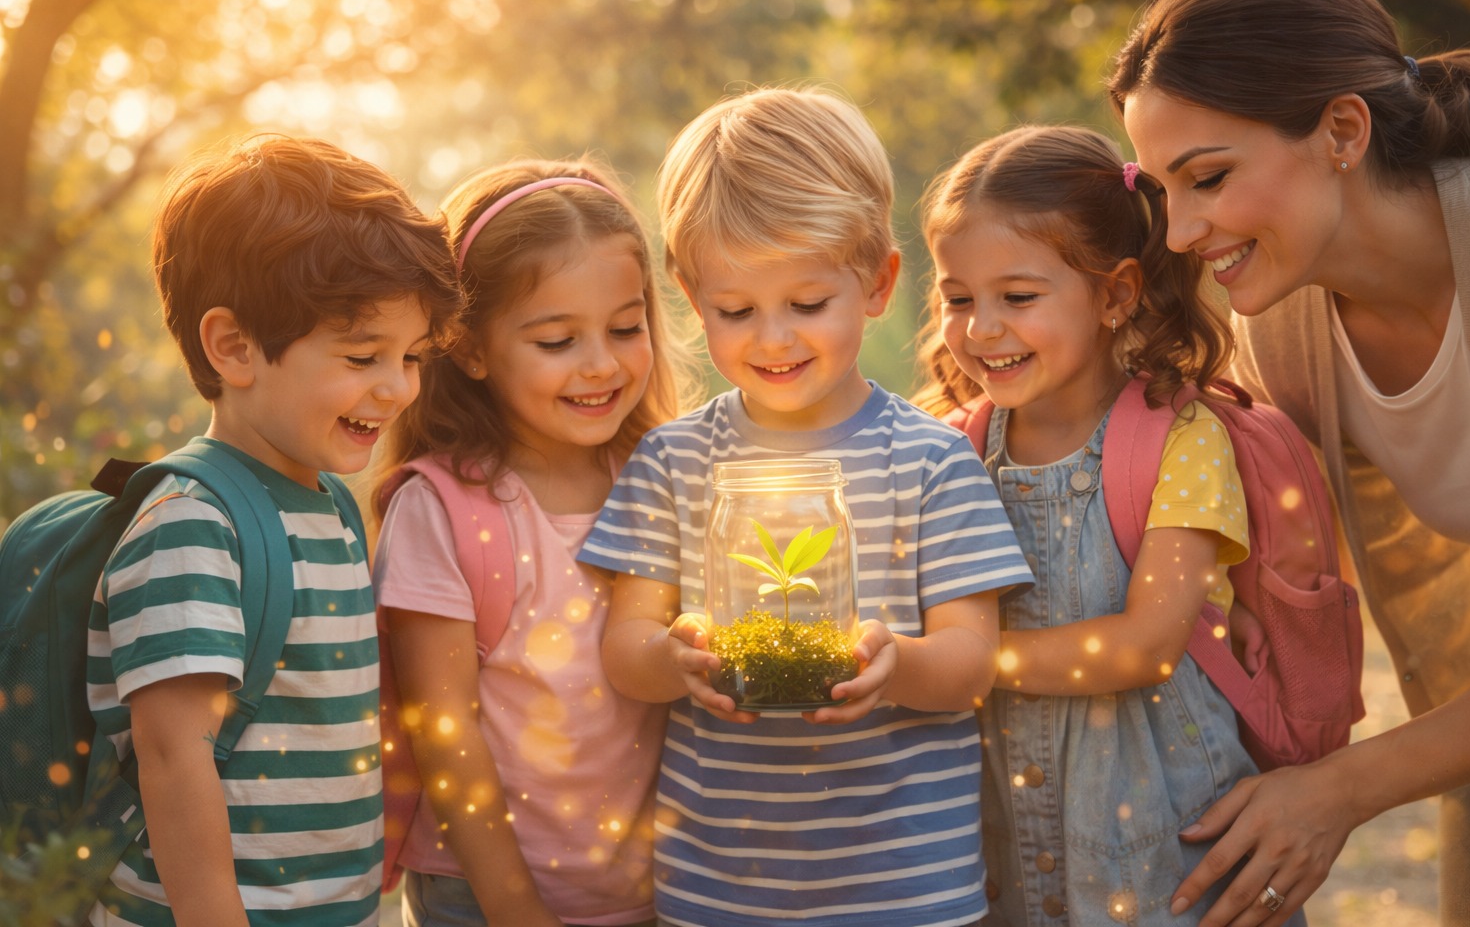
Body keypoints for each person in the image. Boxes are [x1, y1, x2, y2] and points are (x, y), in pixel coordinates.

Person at [1110, 0, 1470, 927]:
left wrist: (1342, 787)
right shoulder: (1285, 326)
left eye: (1208, 177)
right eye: (1161, 188)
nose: (1177, 232)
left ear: (1342, 128)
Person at [579, 85, 1030, 927]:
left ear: (878, 283)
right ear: (688, 293)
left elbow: (972, 663)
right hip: (720, 890)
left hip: (907, 892)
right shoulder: (673, 461)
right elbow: (625, 649)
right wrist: (672, 656)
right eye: (736, 310)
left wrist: (898, 665)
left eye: (808, 304)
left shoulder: (932, 461)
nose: (774, 338)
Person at [913, 124, 1309, 926]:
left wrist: (961, 664)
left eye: (1018, 297)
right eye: (959, 299)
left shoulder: (1180, 439)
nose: (981, 328)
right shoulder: (951, 451)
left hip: (1166, 849)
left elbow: (1144, 645)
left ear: (1116, 293)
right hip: (1001, 851)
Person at [84, 134, 461, 926]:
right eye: (363, 356)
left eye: (413, 356)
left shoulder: (325, 505)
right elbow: (171, 754)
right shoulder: (192, 522)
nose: (396, 388)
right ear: (235, 347)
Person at [371, 160, 690, 927]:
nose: (602, 365)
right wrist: (519, 912)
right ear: (472, 350)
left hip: (660, 893)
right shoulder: (440, 511)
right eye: (556, 340)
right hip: (481, 899)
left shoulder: (663, 478)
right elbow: (445, 738)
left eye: (625, 327)